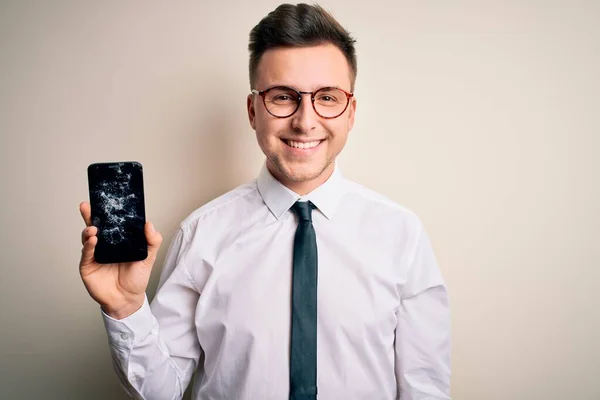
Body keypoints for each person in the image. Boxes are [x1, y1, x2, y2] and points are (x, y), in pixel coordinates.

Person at [78, 3, 451, 399]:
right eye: (283, 97)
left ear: (350, 113)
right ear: (253, 110)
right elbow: (160, 393)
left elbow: (424, 389)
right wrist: (126, 308)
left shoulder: (401, 235)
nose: (305, 121)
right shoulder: (202, 234)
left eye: (326, 97)